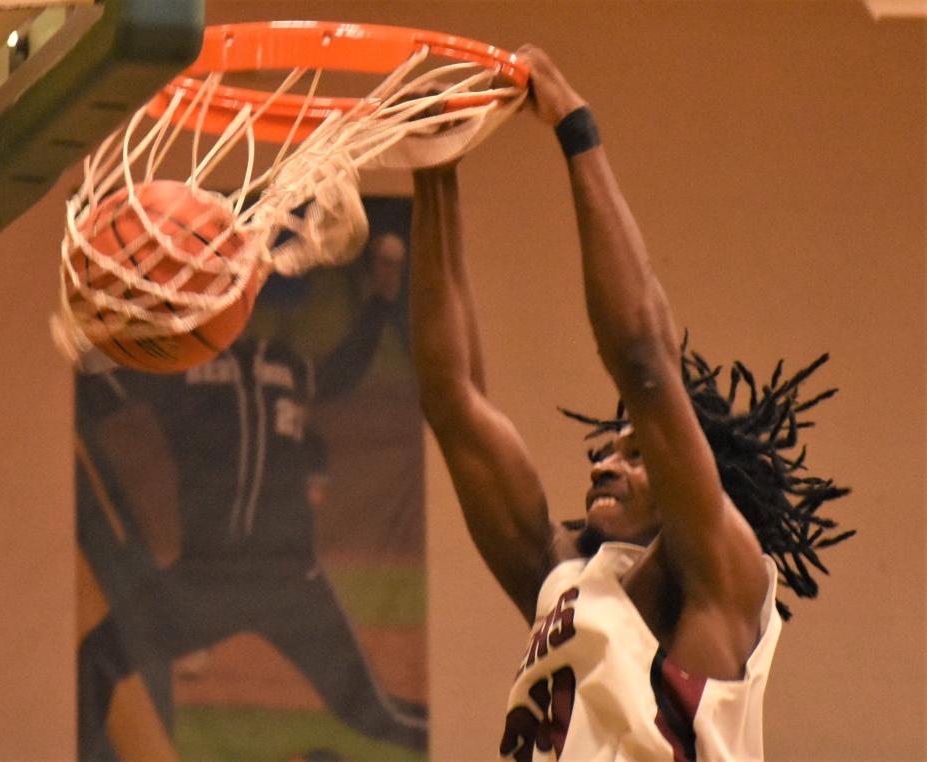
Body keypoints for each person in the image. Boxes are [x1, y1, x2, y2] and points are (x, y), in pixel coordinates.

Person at [409, 46, 852, 761]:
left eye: (637, 452)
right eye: (611, 447)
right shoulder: (567, 581)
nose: (607, 461)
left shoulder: (724, 578)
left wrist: (573, 125)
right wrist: (433, 168)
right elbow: (452, 398)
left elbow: (646, 364)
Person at [77, 248, 426, 760]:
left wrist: (380, 299)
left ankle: (481, 736)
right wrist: (95, 327)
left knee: (374, 715)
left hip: (278, 581)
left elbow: (342, 374)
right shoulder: (177, 366)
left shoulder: (262, 363)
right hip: (211, 581)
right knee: (97, 660)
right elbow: (96, 393)